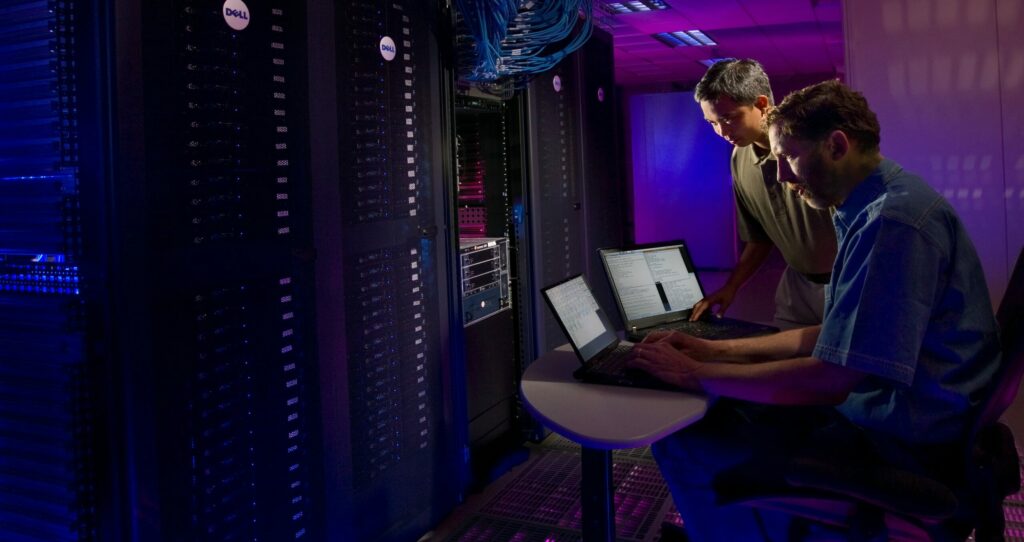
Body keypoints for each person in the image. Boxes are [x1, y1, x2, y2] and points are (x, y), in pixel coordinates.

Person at [629, 80, 1001, 540]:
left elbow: (832, 378)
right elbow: (835, 335)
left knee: (684, 437)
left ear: (837, 145)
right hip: (913, 416)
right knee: (726, 399)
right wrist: (713, 355)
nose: (782, 176)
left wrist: (691, 374)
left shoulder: (892, 224)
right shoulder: (880, 202)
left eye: (789, 158)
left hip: (903, 440)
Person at [691, 59, 836, 329]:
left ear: (761, 104)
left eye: (728, 118)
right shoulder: (738, 159)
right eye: (712, 123)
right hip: (796, 284)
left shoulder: (811, 145)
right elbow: (759, 239)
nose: (721, 131)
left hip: (847, 281)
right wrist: (731, 287)